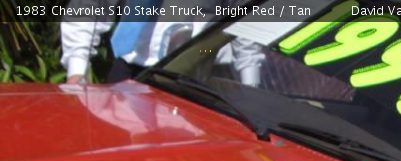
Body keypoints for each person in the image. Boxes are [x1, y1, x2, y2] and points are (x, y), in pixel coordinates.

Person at [60, 0, 263, 85]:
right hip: (126, 74)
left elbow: (245, 25)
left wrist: (251, 89)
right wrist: (77, 71)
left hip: (190, 82)